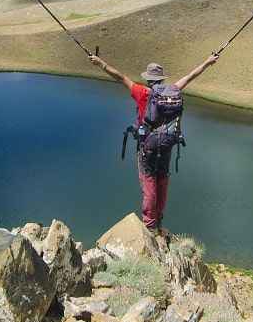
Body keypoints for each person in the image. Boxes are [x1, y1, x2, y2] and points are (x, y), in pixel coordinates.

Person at [89, 53, 219, 234]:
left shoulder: (142, 92)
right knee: (162, 179)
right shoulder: (173, 90)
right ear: (161, 78)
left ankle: (149, 226)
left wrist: (100, 63)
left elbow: (120, 77)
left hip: (148, 146)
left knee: (149, 181)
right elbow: (191, 76)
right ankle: (159, 222)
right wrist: (208, 61)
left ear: (149, 79)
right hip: (167, 144)